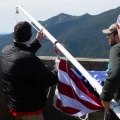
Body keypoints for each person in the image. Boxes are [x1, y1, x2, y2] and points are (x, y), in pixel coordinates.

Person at [0, 21, 58, 120]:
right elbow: (50, 79)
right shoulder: (28, 59)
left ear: (15, 34)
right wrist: (58, 69)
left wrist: (38, 40)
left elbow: (21, 54)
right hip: (29, 110)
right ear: (29, 36)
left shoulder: (6, 50)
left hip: (14, 104)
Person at [100, 23, 120, 120]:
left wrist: (105, 97)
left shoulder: (117, 49)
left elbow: (114, 75)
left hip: (117, 108)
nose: (107, 37)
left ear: (117, 36)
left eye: (109, 34)